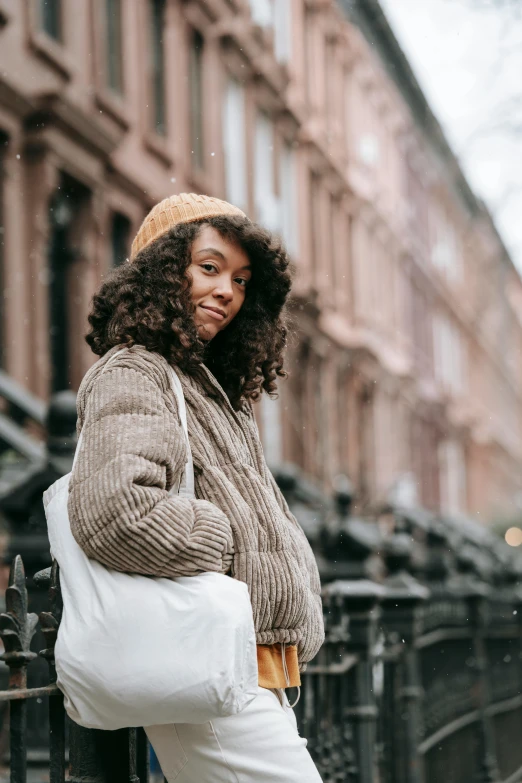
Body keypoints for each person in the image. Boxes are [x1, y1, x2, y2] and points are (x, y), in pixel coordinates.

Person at [68, 193, 324, 782]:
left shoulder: (215, 393)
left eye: (240, 279)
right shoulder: (137, 370)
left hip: (250, 670)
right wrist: (229, 538)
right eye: (208, 268)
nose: (226, 291)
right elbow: (116, 513)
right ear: (163, 270)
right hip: (209, 662)